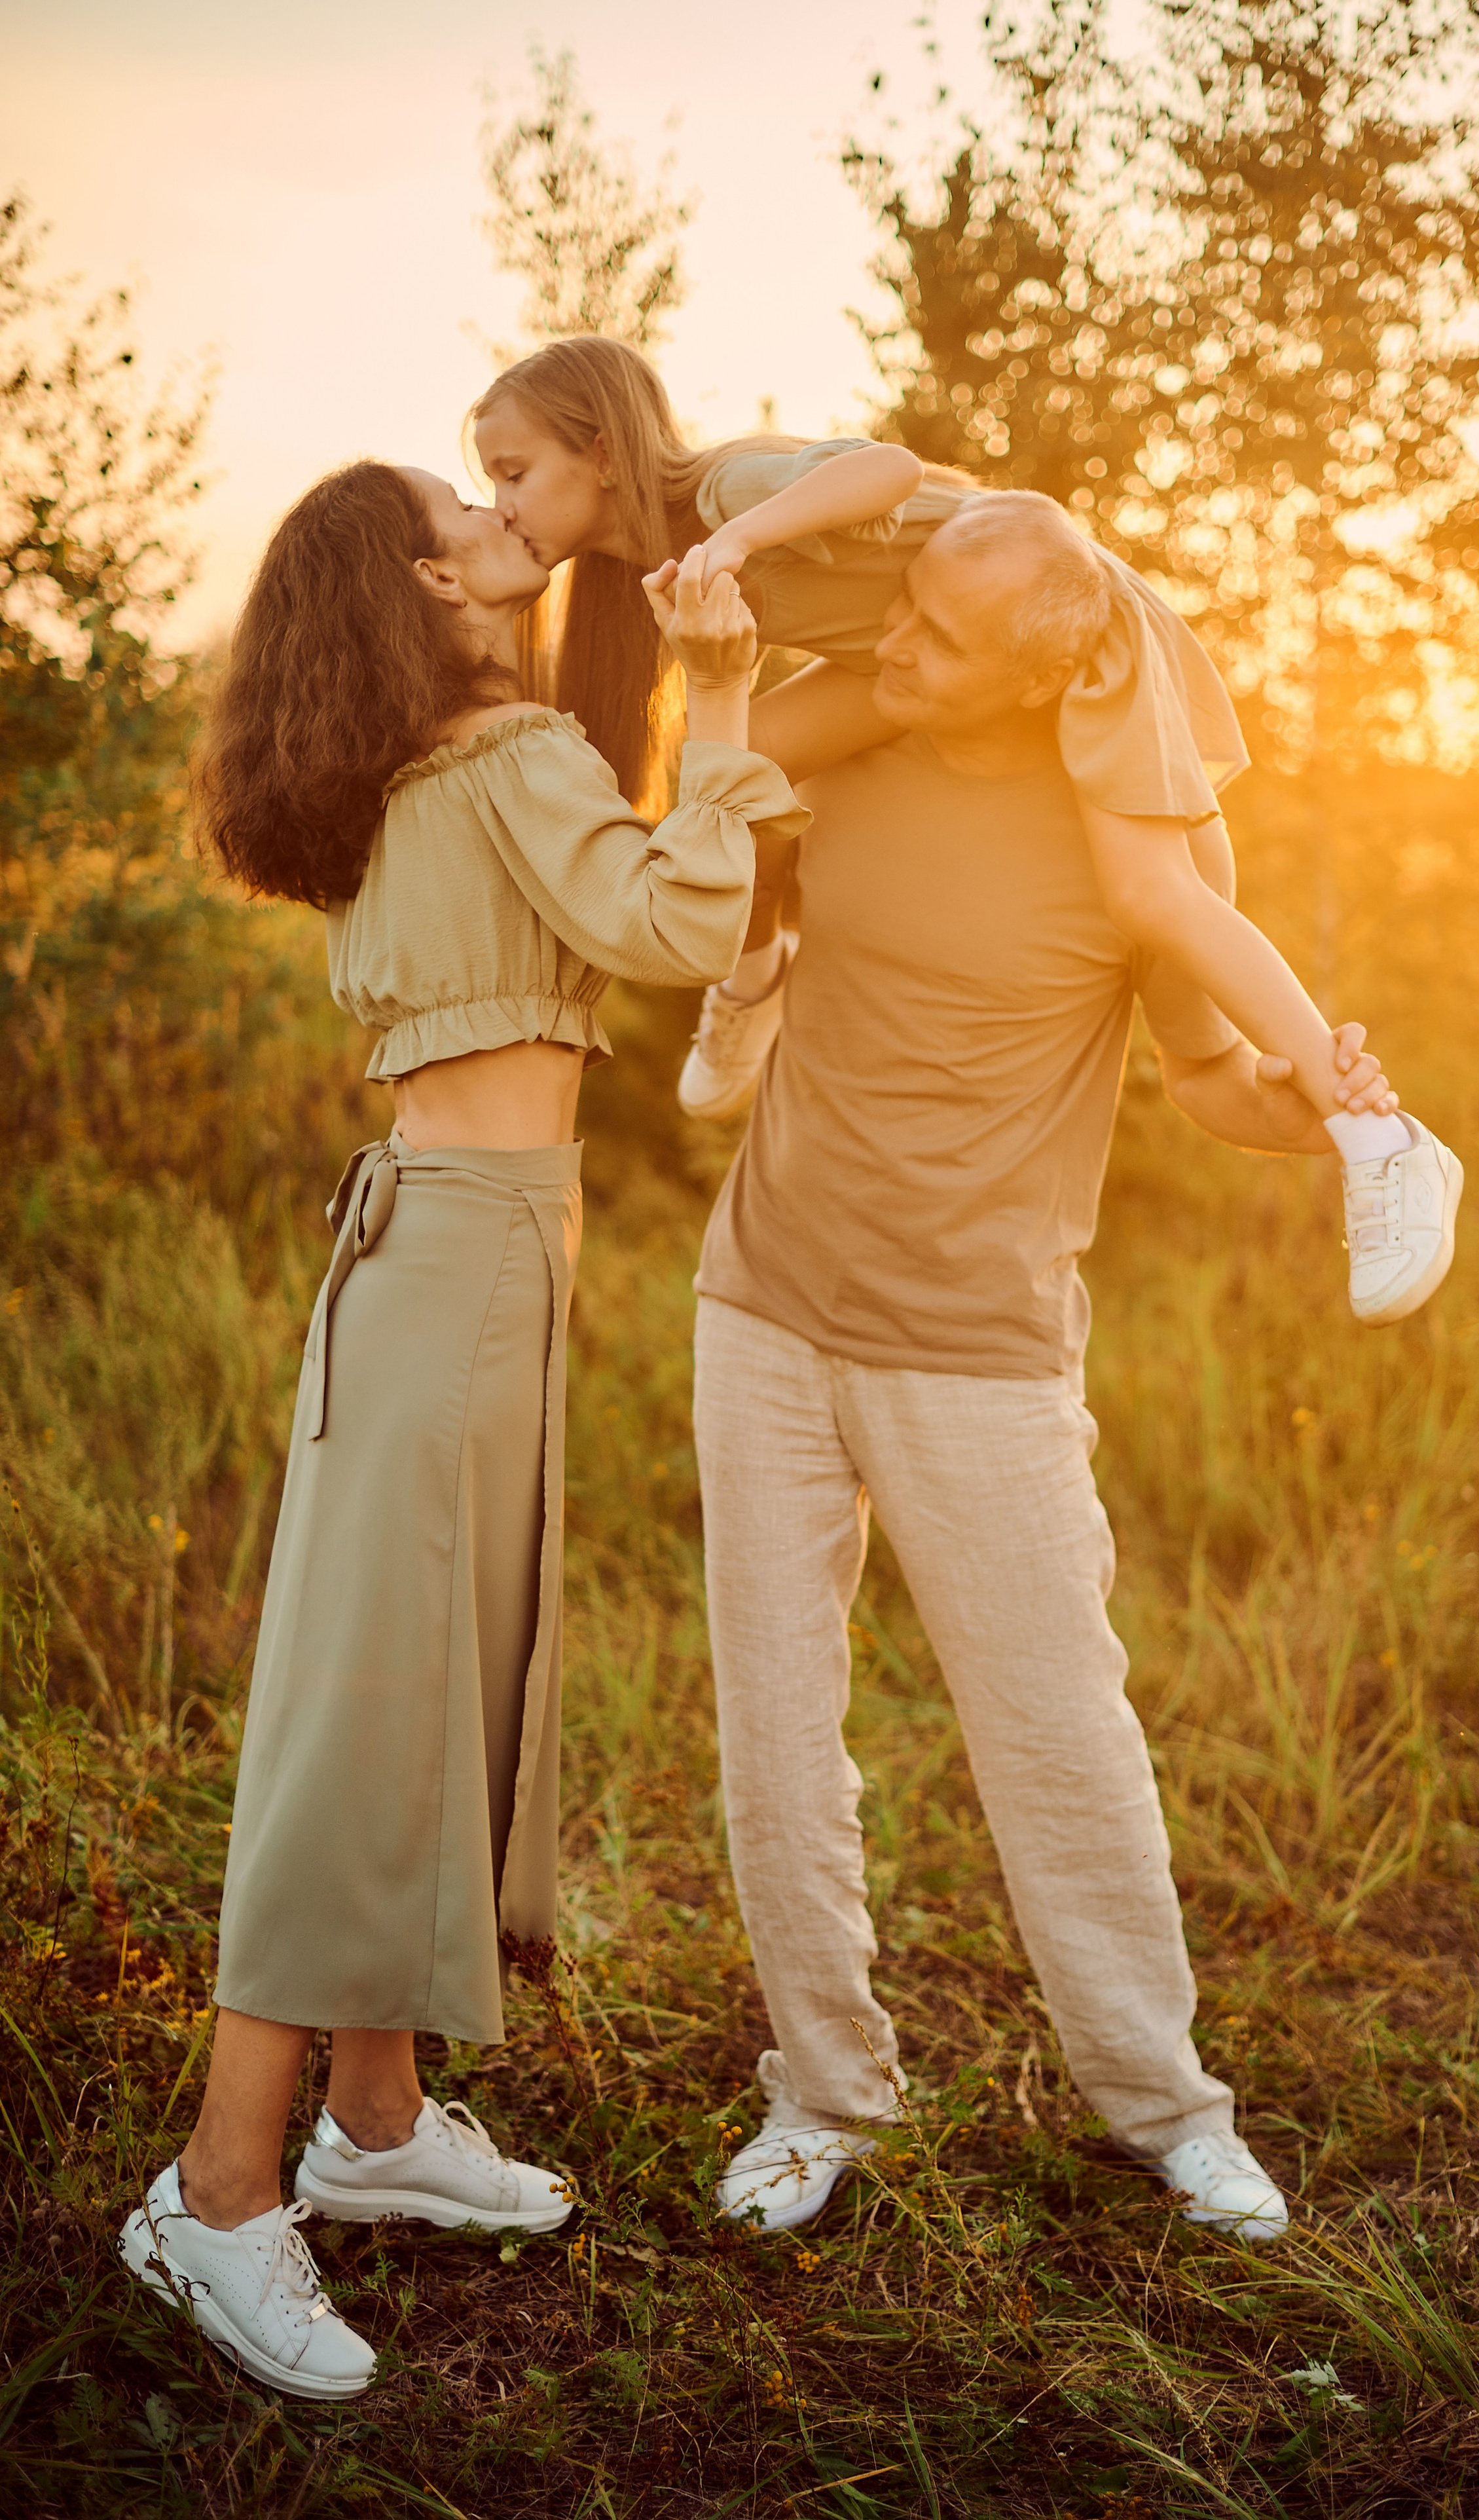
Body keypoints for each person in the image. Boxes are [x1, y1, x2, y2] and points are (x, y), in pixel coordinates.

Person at [117, 463, 805, 2400]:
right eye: (469, 504)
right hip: (458, 1266)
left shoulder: (417, 774)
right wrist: (727, 703)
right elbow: (678, 920)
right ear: (427, 574)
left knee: (428, 1685)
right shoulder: (502, 753)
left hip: (440, 1249)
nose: (506, 517)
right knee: (374, 1713)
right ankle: (218, 2195)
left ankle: (377, 2115)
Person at [684, 496, 1408, 2238]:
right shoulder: (841, 744)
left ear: (1052, 671)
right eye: (906, 613)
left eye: (941, 637)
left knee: (1059, 1736)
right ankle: (824, 2092)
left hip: (980, 1348)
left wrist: (1323, 1113)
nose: (897, 648)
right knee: (775, 1736)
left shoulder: (1142, 845)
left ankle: (1164, 2107)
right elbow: (702, 803)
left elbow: (1208, 1086)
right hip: (765, 1302)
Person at [472, 333, 1461, 1331]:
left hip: (1068, 632)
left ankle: (1383, 1143)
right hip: (926, 646)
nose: (502, 503)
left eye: (513, 472)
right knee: (740, 757)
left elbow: (891, 468)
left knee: (1151, 892)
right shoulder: (629, 584)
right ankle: (757, 974)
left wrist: (737, 543)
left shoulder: (724, 497)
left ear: (601, 452)